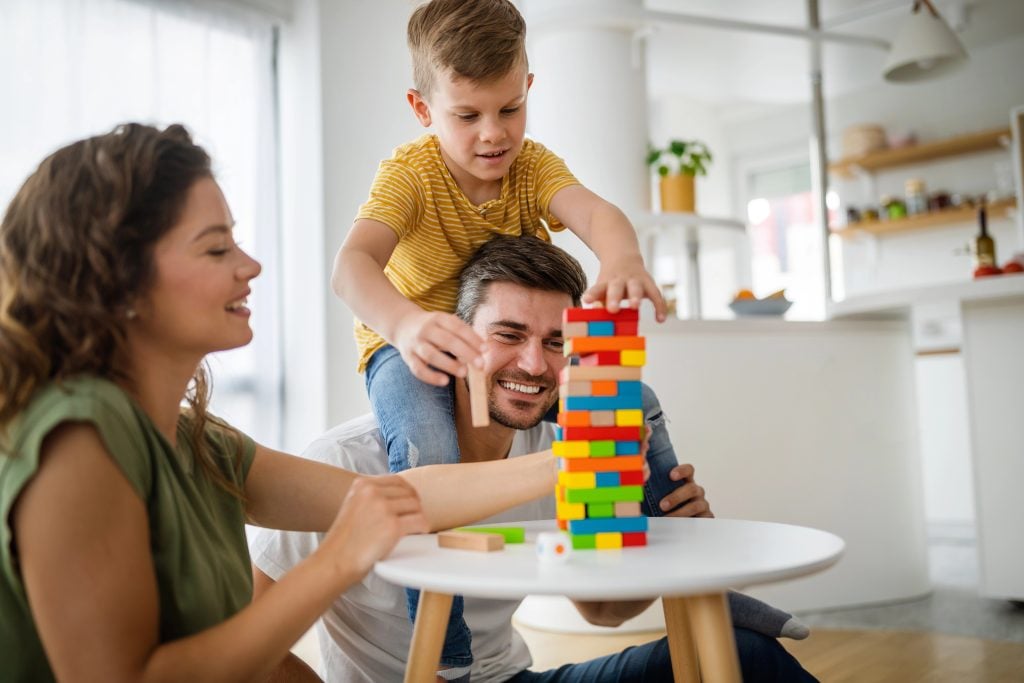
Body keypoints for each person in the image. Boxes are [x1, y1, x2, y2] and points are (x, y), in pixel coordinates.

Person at [0, 124, 566, 681]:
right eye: (217, 247)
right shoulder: (78, 438)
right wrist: (337, 560)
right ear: (118, 280)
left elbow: (399, 499)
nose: (250, 266)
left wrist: (567, 460)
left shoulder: (199, 439)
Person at [253, 235, 817, 682]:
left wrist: (661, 538)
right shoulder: (347, 462)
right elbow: (241, 627)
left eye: (555, 342)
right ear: (455, 340)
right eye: (509, 334)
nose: (534, 364)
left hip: (513, 679)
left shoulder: (558, 450)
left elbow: (601, 611)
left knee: (747, 656)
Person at [332, 0, 690, 669]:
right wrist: (407, 324)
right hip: (410, 349)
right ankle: (446, 649)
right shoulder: (411, 175)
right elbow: (350, 268)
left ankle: (698, 570)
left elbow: (598, 212)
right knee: (430, 449)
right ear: (422, 108)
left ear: (528, 88)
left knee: (631, 401)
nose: (493, 135)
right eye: (466, 116)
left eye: (509, 109)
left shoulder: (533, 168)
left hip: (498, 354)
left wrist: (621, 260)